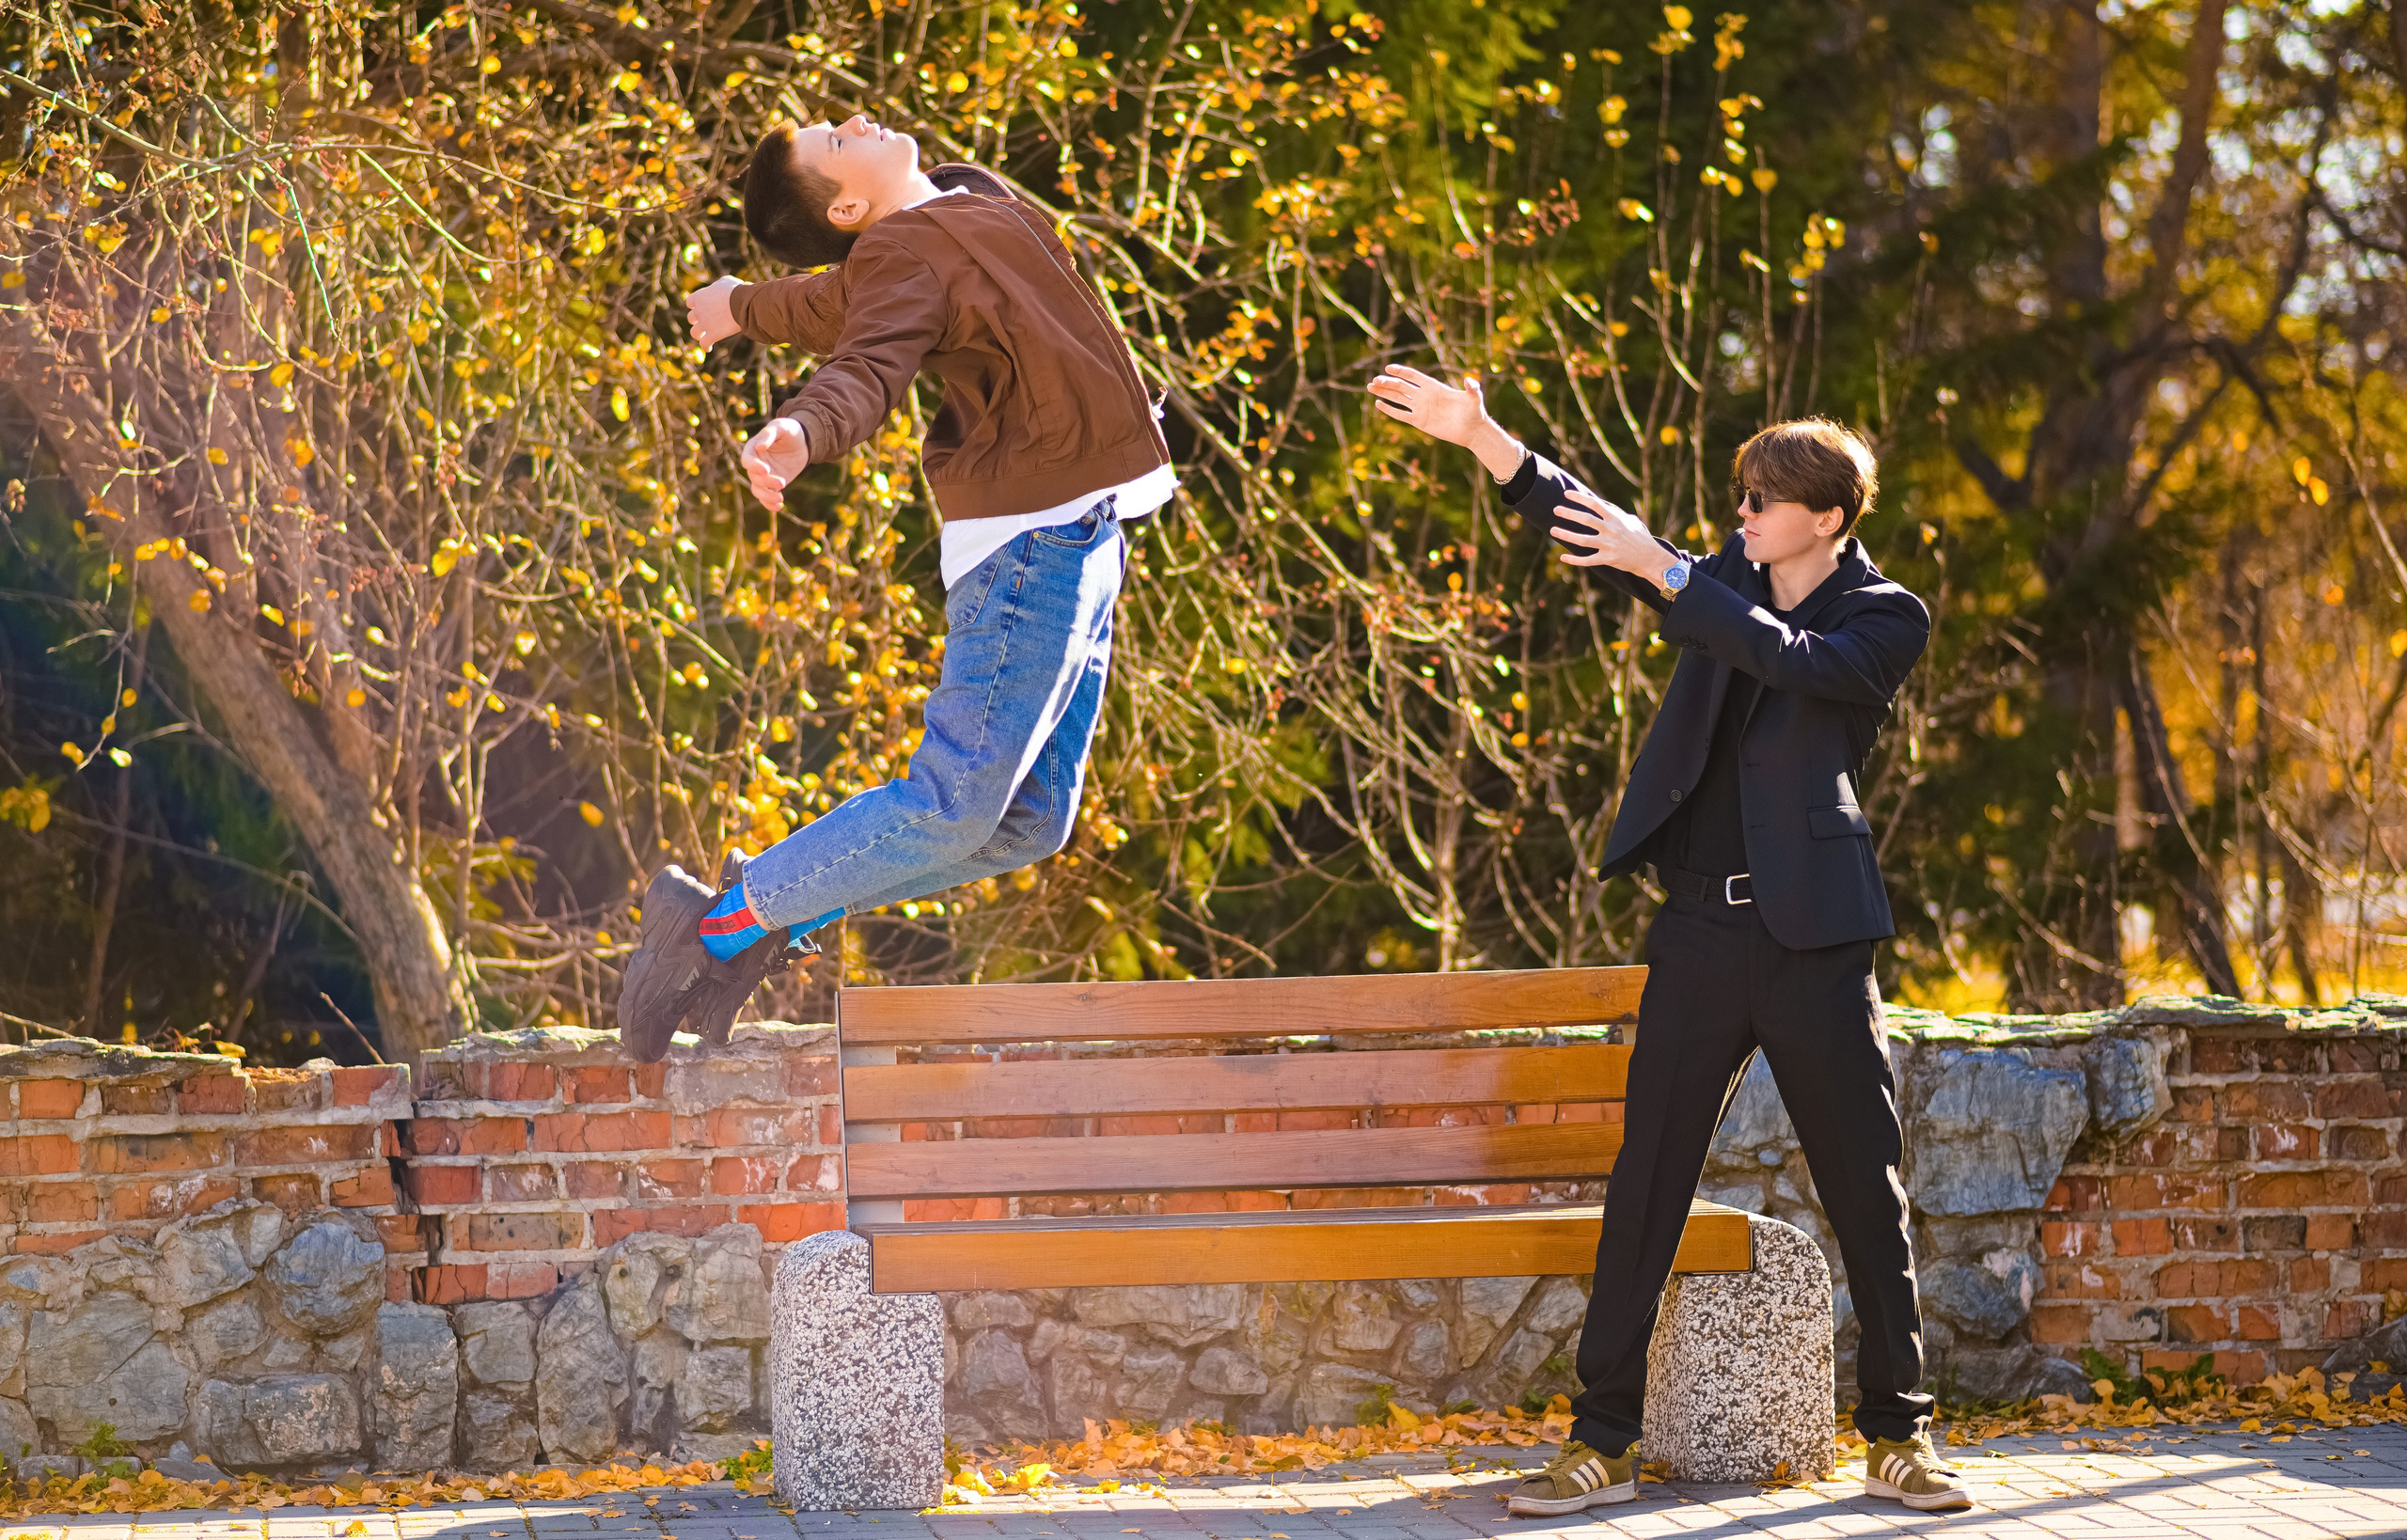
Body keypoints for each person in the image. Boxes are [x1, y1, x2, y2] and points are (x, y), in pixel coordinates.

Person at [1367, 366, 1966, 1515]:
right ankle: (1598, 1441)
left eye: (1761, 498)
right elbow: (1594, 528)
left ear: (1827, 517)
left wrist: (1668, 569)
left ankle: (1900, 1434)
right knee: (1646, 1184)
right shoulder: (1721, 577)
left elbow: (1793, 664)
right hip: (1696, 928)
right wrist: (1488, 439)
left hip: (1816, 944)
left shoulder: (1883, 616)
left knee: (1863, 1186)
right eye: (1740, 495)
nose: (1741, 512)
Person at [616, 114, 1173, 1060]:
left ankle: (751, 925)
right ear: (846, 203)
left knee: (1031, 823)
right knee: (955, 802)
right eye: (834, 140)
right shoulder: (902, 257)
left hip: (1089, 538)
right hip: (1034, 543)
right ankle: (721, 926)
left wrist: (743, 304)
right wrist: (800, 432)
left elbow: (835, 300)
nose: (853, 119)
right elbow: (867, 359)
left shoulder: (964, 204)